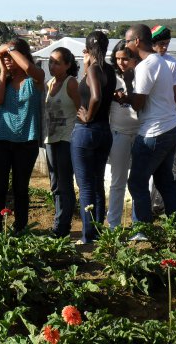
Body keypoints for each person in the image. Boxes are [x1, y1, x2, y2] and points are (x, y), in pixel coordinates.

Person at [121, 24, 176, 227]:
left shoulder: (145, 66)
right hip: (172, 127)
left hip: (154, 133)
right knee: (165, 180)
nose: (126, 45)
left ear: (137, 41)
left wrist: (123, 96)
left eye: (127, 41)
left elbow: (139, 103)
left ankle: (142, 229)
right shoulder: (161, 61)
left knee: (137, 182)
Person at [0, 38, 45, 233]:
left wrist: (9, 49)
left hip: (26, 141)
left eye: (10, 57)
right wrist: (2, 72)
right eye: (3, 58)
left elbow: (29, 67)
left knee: (21, 187)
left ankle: (20, 226)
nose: (7, 60)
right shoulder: (0, 78)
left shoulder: (35, 78)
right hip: (0, 140)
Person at [70, 31, 115, 243]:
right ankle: (97, 231)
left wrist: (88, 115)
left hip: (86, 131)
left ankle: (87, 235)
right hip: (105, 131)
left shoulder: (95, 70)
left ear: (87, 48)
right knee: (97, 183)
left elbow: (95, 96)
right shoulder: (109, 70)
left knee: (86, 185)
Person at [45, 47, 80, 238]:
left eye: (57, 62)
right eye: (51, 61)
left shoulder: (71, 83)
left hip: (67, 138)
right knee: (54, 183)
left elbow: (80, 109)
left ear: (68, 65)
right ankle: (59, 222)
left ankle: (62, 226)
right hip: (51, 138)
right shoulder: (50, 83)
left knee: (64, 183)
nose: (52, 65)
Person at [106, 41, 140, 229]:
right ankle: (113, 225)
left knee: (140, 181)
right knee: (118, 180)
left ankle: (139, 224)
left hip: (141, 133)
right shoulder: (112, 77)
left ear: (135, 59)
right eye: (117, 59)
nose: (121, 63)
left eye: (125, 59)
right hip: (119, 133)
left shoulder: (143, 75)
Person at [151, 25, 176, 105]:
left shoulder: (172, 63)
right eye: (161, 44)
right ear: (152, 43)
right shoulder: (141, 61)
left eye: (167, 43)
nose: (165, 47)